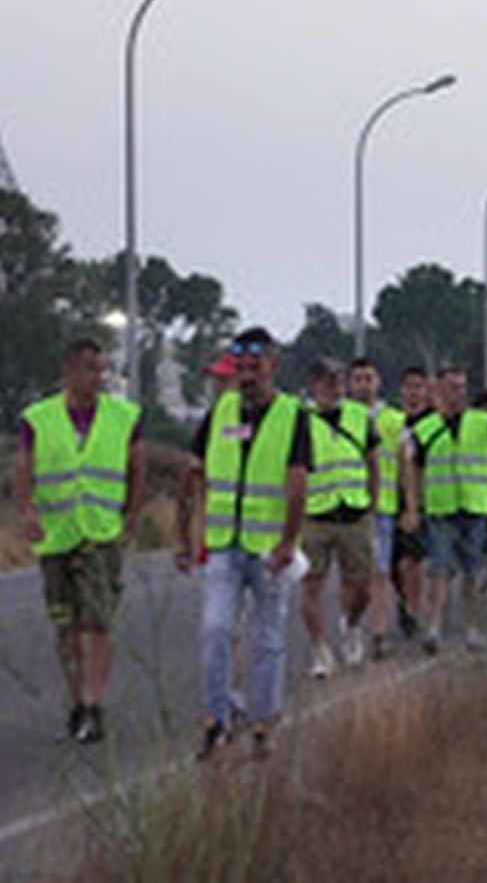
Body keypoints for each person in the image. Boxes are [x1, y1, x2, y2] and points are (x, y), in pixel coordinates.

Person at [177, 326, 310, 761]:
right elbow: (192, 473)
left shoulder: (292, 415)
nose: (248, 374)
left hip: (268, 549)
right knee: (216, 630)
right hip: (223, 544)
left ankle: (264, 721)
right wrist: (183, 535)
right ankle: (217, 721)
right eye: (242, 367)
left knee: (267, 638)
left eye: (256, 366)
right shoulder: (221, 412)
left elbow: (297, 483)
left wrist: (288, 541)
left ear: (273, 366)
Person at [13, 337, 145, 745]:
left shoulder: (124, 416)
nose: (98, 377)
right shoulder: (38, 418)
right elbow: (23, 470)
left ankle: (94, 703)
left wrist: (132, 519)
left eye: (102, 369)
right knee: (66, 626)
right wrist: (28, 512)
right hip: (57, 536)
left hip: (101, 532)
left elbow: (137, 471)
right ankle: (77, 704)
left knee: (98, 622)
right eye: (90, 368)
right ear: (69, 371)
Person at [406, 367, 487, 654]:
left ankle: (472, 628)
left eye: (462, 387)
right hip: (441, 508)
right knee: (440, 569)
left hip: (474, 505)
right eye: (452, 387)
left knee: (472, 570)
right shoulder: (426, 428)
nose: (458, 393)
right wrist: (413, 507)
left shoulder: (482, 422)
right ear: (439, 390)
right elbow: (413, 468)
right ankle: (434, 627)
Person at [299, 356, 379, 679]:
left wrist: (372, 505)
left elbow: (372, 463)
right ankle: (320, 650)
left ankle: (351, 625)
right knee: (312, 585)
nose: (335, 386)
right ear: (315, 384)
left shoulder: (359, 416)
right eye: (328, 380)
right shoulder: (301, 420)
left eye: (339, 380)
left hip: (354, 511)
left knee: (362, 585)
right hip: (315, 513)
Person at [349, 358, 410, 660]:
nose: (363, 385)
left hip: (382, 507)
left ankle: (379, 633)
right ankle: (352, 628)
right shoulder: (342, 416)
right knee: (353, 576)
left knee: (380, 573)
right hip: (347, 506)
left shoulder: (394, 420)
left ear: (379, 381)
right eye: (358, 379)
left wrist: (410, 505)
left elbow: (405, 464)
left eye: (368, 378)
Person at [391, 367, 433, 643]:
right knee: (392, 565)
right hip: (391, 497)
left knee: (412, 561)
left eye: (419, 387)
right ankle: (403, 598)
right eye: (409, 387)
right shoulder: (394, 423)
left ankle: (411, 612)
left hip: (420, 499)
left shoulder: (433, 424)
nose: (413, 393)